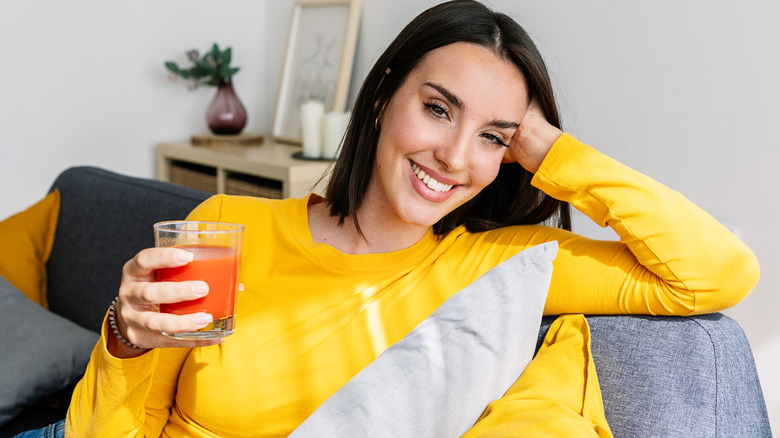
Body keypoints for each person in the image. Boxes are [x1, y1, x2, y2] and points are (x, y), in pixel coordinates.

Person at [33, 1, 758, 437]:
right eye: (438, 108)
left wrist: (548, 147)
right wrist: (127, 338)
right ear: (383, 95)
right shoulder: (230, 227)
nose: (452, 155)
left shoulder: (498, 267)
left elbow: (715, 275)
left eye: (491, 136)